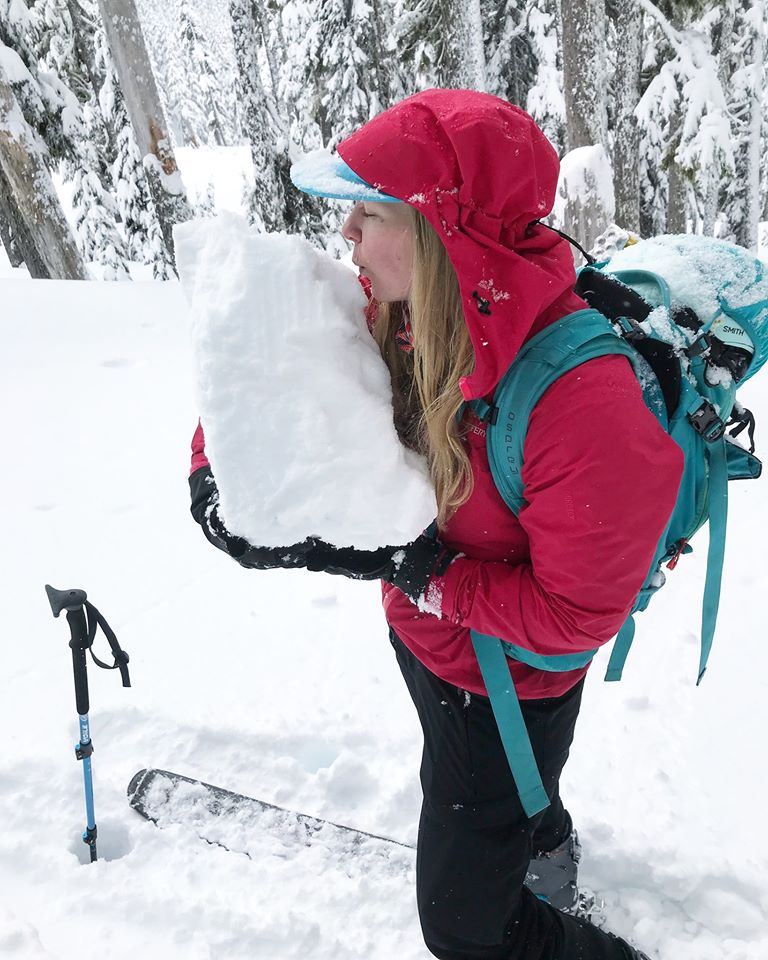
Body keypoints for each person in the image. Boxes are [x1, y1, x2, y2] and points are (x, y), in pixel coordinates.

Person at [188, 89, 683, 960]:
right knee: (471, 766)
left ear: (438, 231)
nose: (345, 237)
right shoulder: (396, 305)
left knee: (464, 927)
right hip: (430, 642)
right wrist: (215, 475)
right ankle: (538, 828)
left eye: (369, 212)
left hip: (509, 688)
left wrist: (423, 572)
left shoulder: (582, 403)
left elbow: (575, 622)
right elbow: (265, 376)